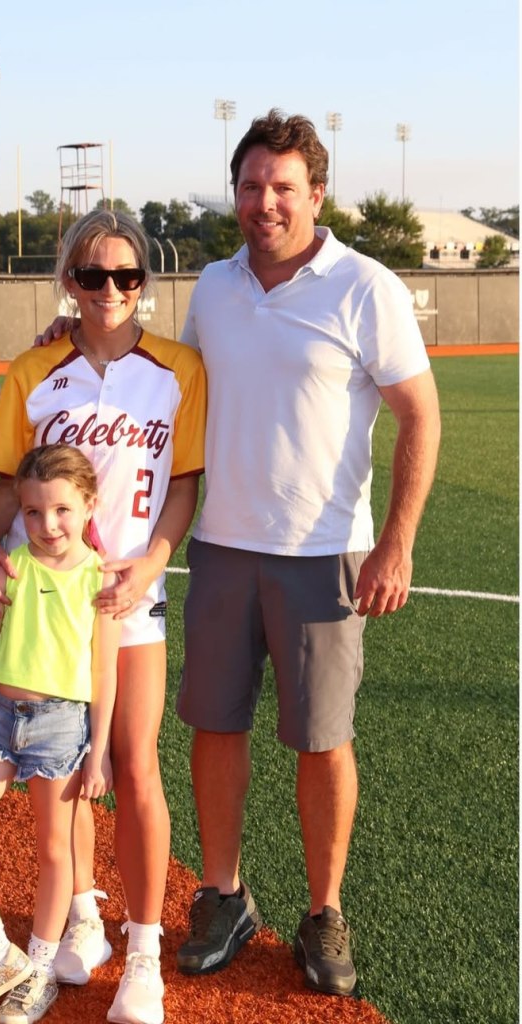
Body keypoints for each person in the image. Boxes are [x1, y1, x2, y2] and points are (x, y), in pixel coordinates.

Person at [174, 110, 441, 997]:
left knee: (321, 740)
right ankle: (224, 893)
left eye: (283, 186)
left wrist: (394, 541)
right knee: (215, 725)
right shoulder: (211, 286)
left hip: (323, 552)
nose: (264, 202)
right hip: (219, 546)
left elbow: (419, 416)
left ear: (315, 194)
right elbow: (174, 384)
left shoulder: (365, 286)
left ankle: (323, 910)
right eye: (250, 185)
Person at [0, 208, 207, 1024]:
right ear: (68, 279)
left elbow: (182, 483)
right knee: (65, 779)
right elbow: (8, 482)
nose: (111, 290)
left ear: (145, 280)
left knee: (134, 765)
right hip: (49, 602)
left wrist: (153, 560)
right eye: (92, 274)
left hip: (125, 596)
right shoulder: (34, 370)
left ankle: (143, 953)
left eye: (127, 276)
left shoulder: (179, 367)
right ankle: (83, 923)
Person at [0, 443, 121, 1024]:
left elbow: (103, 672)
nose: (47, 524)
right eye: (33, 512)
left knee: (52, 851)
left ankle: (38, 971)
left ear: (89, 505)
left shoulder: (101, 581)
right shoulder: (10, 566)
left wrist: (100, 754)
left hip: (62, 728)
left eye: (61, 510)